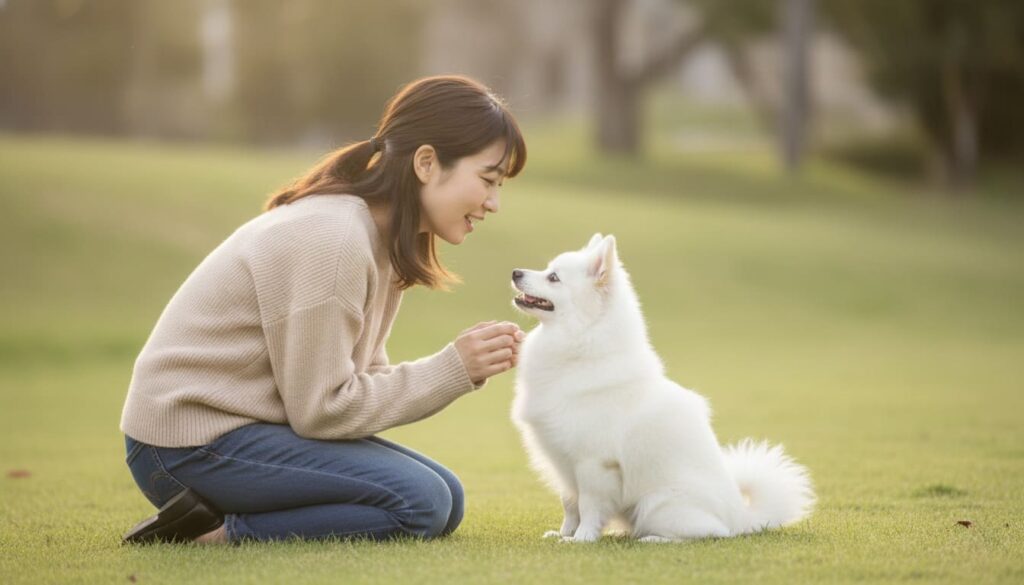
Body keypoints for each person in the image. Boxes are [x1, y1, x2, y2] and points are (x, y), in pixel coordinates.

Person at [120, 75, 527, 544]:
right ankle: (213, 536)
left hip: (239, 434)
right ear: (427, 163)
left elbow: (359, 381)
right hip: (183, 446)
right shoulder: (334, 240)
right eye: (488, 180)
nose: (493, 203)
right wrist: (452, 368)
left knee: (446, 497)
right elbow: (322, 410)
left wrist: (455, 370)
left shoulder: (380, 239)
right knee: (423, 503)